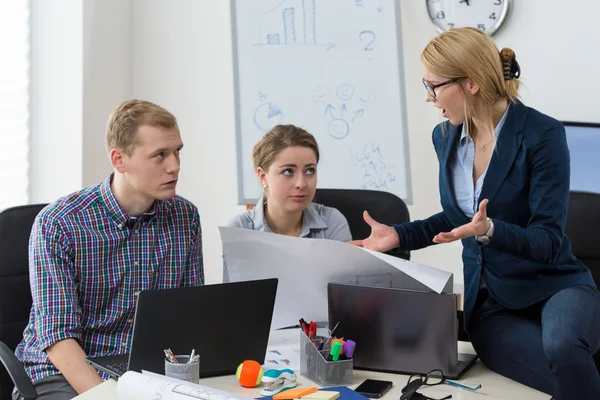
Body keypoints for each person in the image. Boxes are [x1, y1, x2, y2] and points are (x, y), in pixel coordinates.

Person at [351, 27, 600, 399]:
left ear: (470, 83)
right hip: (491, 305)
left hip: (556, 286)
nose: (429, 97)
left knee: (564, 349)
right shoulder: (445, 137)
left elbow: (548, 241)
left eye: (434, 86)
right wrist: (400, 235)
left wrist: (491, 230)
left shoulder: (541, 134)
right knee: (568, 377)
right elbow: (457, 217)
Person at [14, 100, 204, 399]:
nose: (175, 166)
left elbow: (190, 314)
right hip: (64, 373)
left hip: (143, 371)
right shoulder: (59, 224)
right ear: (119, 160)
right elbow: (58, 341)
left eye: (177, 151)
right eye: (160, 155)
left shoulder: (185, 217)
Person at [223, 124, 352, 282]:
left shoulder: (332, 222)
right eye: (288, 171)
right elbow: (235, 302)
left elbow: (344, 297)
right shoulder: (239, 230)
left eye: (310, 170)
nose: (301, 184)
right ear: (263, 176)